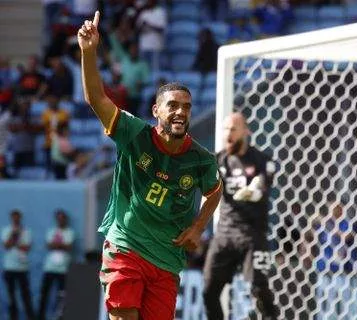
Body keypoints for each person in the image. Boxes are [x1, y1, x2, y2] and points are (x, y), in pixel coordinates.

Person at [77, 11, 223, 320]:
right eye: (173, 105)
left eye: (186, 106)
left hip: (166, 259)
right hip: (126, 247)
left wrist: (198, 226)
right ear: (156, 110)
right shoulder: (134, 134)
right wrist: (89, 53)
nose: (180, 111)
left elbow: (215, 191)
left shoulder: (201, 159)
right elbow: (96, 99)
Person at [203, 113, 278, 320]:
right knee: (209, 292)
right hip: (224, 235)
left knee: (259, 290)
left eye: (233, 129)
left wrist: (254, 189)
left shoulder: (263, 160)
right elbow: (206, 191)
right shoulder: (218, 161)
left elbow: (262, 184)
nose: (228, 134)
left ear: (246, 132)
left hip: (252, 236)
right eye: (226, 129)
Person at [37, 209, 75, 320]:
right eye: (59, 218)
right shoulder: (51, 231)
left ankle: (60, 316)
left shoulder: (70, 232)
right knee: (44, 294)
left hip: (63, 269)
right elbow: (49, 245)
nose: (61, 220)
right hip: (49, 268)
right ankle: (40, 316)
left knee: (62, 295)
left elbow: (69, 247)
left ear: (65, 220)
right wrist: (61, 245)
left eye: (62, 218)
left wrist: (57, 244)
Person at [1, 209, 35, 320]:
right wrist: (14, 235)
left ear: (20, 218)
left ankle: (30, 316)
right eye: (13, 217)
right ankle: (13, 317)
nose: (16, 219)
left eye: (17, 217)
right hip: (9, 267)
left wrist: (15, 243)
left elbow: (26, 248)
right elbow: (6, 246)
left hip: (22, 268)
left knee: (25, 295)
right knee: (12, 296)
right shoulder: (6, 230)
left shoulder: (27, 231)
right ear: (11, 218)